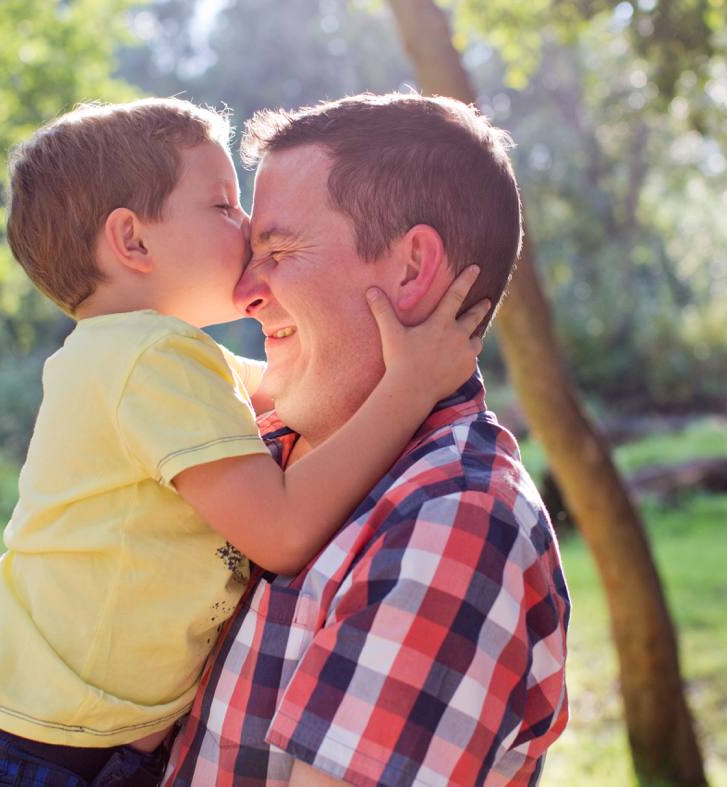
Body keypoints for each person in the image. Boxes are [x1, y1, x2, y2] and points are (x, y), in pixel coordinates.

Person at [0, 97, 489, 786]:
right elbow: (280, 530)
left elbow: (296, 383)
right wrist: (411, 383)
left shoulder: (141, 357)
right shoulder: (150, 357)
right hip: (39, 763)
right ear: (132, 241)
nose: (249, 232)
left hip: (53, 746)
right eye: (225, 208)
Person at [165, 93, 572, 787]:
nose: (245, 289)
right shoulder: (261, 454)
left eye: (281, 250)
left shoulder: (455, 519)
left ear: (412, 269)